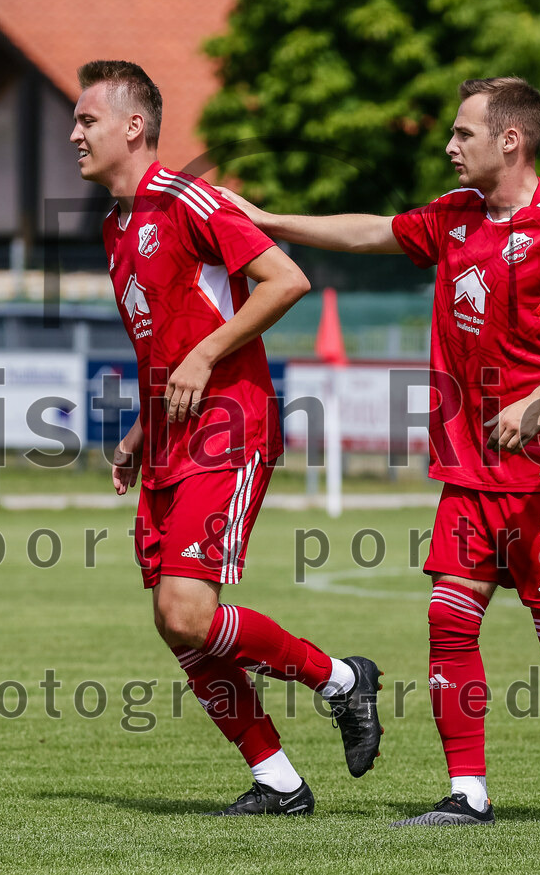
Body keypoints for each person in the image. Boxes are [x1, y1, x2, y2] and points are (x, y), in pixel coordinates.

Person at [223, 76, 540, 826]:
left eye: (463, 133)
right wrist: (267, 220)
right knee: (449, 619)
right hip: (471, 466)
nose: (451, 146)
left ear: (509, 139)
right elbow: (370, 232)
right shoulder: (455, 217)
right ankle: (469, 793)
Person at [70, 60, 382, 816]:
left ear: (133, 127)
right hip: (171, 437)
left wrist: (208, 354)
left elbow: (287, 280)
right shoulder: (117, 226)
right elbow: (163, 346)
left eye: (87, 120)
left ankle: (341, 678)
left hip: (229, 425)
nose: (73, 133)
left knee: (187, 611)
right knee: (176, 624)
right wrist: (141, 431)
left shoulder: (189, 199)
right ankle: (277, 779)